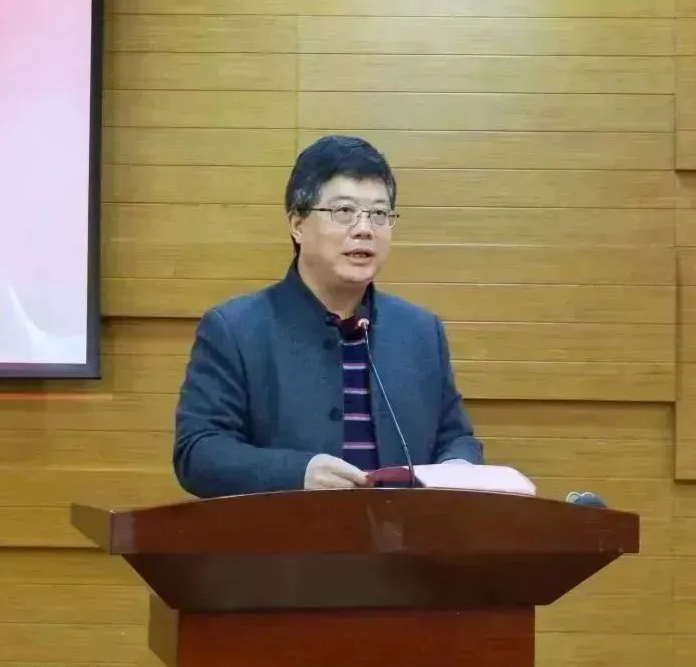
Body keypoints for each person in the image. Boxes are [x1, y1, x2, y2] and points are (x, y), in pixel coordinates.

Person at [172, 134, 484, 498]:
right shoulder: (235, 329)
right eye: (344, 212)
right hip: (287, 533)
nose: (365, 228)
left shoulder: (420, 331)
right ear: (297, 224)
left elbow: (456, 436)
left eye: (379, 214)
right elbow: (198, 452)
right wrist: (296, 473)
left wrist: (458, 467)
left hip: (402, 534)